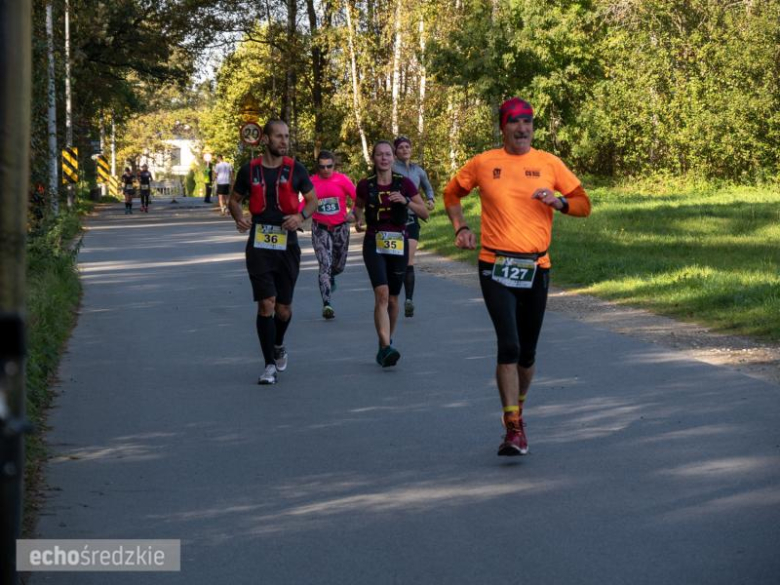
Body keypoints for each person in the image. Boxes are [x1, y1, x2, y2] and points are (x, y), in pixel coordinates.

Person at [443, 97, 591, 457]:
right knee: (508, 345)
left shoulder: (548, 163)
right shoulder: (483, 163)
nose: (522, 128)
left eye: (528, 122)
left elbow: (583, 204)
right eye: (514, 121)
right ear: (502, 127)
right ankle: (513, 426)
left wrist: (559, 203)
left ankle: (518, 407)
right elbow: (451, 192)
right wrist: (461, 226)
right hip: (494, 265)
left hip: (536, 267)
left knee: (527, 353)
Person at [229, 119, 317, 385]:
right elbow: (234, 200)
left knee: (283, 308)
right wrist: (238, 217)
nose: (284, 141)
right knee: (266, 303)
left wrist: (300, 217)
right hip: (259, 244)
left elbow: (312, 200)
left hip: (287, 245)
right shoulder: (249, 170)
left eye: (286, 136)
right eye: (279, 136)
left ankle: (278, 343)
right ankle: (269, 365)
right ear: (265, 139)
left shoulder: (296, 169)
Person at [354, 141, 429, 367]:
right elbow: (358, 207)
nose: (384, 158)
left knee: (394, 299)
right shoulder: (365, 185)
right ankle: (386, 347)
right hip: (374, 242)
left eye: (388, 154)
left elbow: (424, 212)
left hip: (398, 243)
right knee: (382, 294)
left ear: (393, 157)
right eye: (380, 155)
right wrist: (357, 219)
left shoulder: (404, 183)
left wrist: (406, 201)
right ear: (373, 158)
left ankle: (385, 342)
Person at [309, 150, 357, 319]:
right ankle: (327, 304)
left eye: (329, 166)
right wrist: (297, 217)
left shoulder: (342, 180)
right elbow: (303, 203)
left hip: (340, 228)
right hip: (320, 228)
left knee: (338, 266)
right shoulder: (311, 182)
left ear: (334, 165)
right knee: (325, 264)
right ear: (318, 167)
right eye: (322, 167)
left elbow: (358, 198)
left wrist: (353, 213)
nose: (325, 170)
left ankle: (332, 276)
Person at [392, 136, 435, 318]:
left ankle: (408, 300)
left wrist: (430, 199)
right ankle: (392, 296)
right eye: (401, 147)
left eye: (407, 147)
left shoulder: (418, 170)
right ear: (395, 151)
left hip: (411, 219)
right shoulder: (391, 168)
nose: (405, 150)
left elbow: (427, 187)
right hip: (393, 220)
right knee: (395, 261)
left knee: (408, 260)